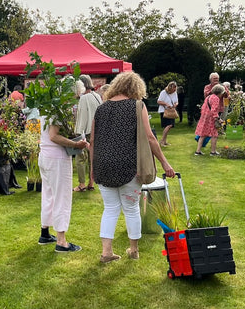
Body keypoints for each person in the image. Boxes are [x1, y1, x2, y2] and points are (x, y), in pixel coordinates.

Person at [89, 72, 175, 263]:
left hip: (103, 164)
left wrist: (92, 168)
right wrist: (164, 162)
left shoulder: (101, 109)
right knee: (131, 208)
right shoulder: (137, 106)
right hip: (129, 165)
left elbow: (93, 140)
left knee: (110, 209)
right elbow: (151, 137)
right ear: (136, 88)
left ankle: (106, 252)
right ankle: (134, 250)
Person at [38, 115, 89, 253]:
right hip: (57, 158)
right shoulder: (56, 109)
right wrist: (75, 144)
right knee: (62, 197)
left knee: (48, 195)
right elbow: (54, 136)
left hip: (45, 155)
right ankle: (61, 241)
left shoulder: (45, 106)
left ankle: (45, 233)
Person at [73, 75, 102, 192]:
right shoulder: (97, 96)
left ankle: (82, 184)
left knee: (80, 159)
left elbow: (82, 116)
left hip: (86, 132)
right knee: (92, 159)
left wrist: (78, 133)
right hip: (97, 131)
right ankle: (91, 182)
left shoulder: (84, 98)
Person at [194, 84, 226, 156]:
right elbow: (214, 110)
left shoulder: (208, 97)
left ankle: (198, 151)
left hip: (204, 117)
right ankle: (213, 151)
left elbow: (203, 107)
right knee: (214, 135)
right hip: (211, 119)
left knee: (202, 135)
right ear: (220, 92)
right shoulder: (216, 98)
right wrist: (218, 119)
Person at [157, 81, 178, 146]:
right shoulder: (163, 92)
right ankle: (162, 141)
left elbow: (176, 101)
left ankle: (164, 141)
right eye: (173, 89)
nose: (174, 90)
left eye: (175, 89)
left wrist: (175, 104)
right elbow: (159, 101)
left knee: (170, 126)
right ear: (170, 87)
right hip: (164, 111)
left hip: (171, 111)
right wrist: (166, 104)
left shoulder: (175, 93)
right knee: (168, 125)